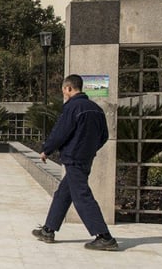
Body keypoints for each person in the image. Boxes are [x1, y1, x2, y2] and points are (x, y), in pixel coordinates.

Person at [32, 74, 117, 251]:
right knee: (63, 194)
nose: (63, 93)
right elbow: (104, 136)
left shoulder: (72, 107)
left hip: (74, 158)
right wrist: (90, 149)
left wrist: (47, 149)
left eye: (64, 90)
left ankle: (104, 236)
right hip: (85, 158)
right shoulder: (96, 109)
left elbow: (61, 132)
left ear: (69, 88)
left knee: (82, 196)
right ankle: (48, 230)